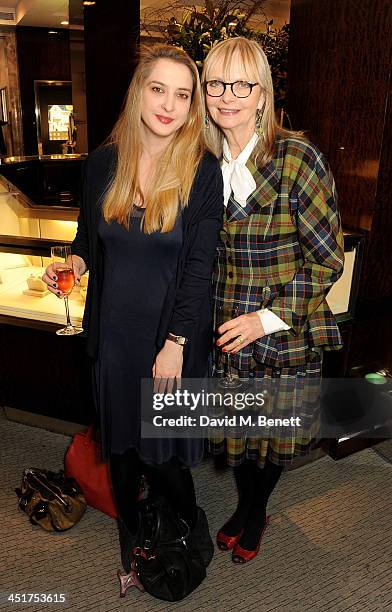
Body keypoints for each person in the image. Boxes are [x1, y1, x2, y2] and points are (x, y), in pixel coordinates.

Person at [42, 44, 223, 584]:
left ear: (192, 107)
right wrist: (73, 261)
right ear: (138, 92)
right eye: (158, 89)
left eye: (182, 94)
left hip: (169, 340)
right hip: (114, 338)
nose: (168, 104)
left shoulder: (201, 171)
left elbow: (199, 269)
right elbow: (86, 238)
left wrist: (175, 343)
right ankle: (132, 540)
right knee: (120, 451)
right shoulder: (102, 163)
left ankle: (189, 525)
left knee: (163, 458)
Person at [202, 37, 344, 564]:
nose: (227, 95)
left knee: (273, 443)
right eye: (216, 82)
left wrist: (266, 319)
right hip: (226, 333)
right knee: (239, 437)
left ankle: (255, 513)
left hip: (281, 332)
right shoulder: (203, 163)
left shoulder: (296, 157)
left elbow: (328, 260)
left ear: (263, 93)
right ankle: (247, 505)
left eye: (242, 83)